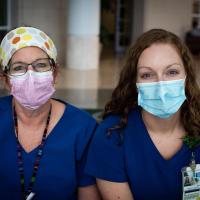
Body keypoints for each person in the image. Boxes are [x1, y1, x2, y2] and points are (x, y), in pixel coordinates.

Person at [85, 29, 200, 199]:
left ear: (187, 75)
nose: (161, 85)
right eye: (147, 74)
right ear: (135, 83)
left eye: (172, 72)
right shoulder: (112, 134)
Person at [0, 26, 101, 200]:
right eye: (18, 67)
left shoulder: (83, 128)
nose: (30, 74)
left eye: (40, 65)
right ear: (6, 80)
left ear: (55, 73)